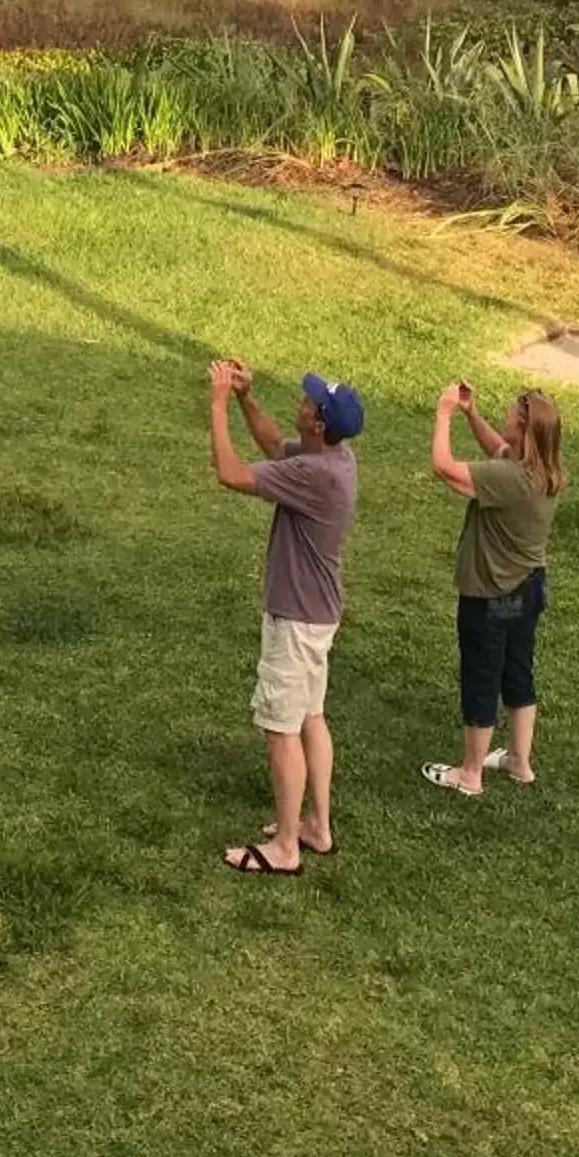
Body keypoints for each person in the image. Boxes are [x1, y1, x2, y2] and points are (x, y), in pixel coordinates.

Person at [204, 357, 360, 875]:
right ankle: (318, 826)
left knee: (280, 728)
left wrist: (220, 402)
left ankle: (287, 847)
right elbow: (275, 446)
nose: (301, 401)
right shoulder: (336, 460)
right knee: (311, 717)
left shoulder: (314, 475)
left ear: (318, 423)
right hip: (318, 615)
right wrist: (249, 399)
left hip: (295, 620)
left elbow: (230, 473)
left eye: (308, 401)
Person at [422, 382, 563, 796]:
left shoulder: (511, 479)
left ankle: (470, 774)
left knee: (481, 676)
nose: (504, 421)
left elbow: (444, 467)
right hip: (529, 588)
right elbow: (498, 448)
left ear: (523, 427)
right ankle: (520, 762)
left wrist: (445, 413)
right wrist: (471, 414)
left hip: (492, 596)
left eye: (509, 416)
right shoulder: (543, 470)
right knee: (518, 672)